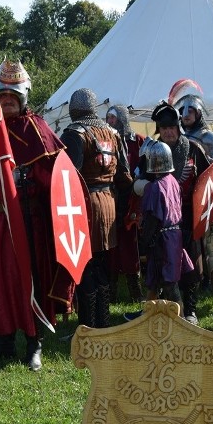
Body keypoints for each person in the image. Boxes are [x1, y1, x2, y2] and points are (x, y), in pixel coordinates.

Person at [0, 60, 72, 370]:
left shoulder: (37, 129)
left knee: (28, 281)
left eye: (13, 95)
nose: (7, 100)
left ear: (23, 96)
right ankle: (3, 341)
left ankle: (34, 341)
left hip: (26, 221)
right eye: (3, 95)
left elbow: (55, 181)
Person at [60, 88, 128, 329]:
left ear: (74, 109)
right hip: (109, 202)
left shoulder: (75, 134)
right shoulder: (112, 132)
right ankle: (103, 323)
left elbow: (69, 177)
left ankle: (88, 327)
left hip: (85, 205)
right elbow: (124, 175)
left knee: (86, 265)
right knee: (101, 265)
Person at [150, 103, 211, 325]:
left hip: (188, 215)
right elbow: (142, 181)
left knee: (191, 266)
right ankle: (166, 310)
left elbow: (208, 179)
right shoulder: (153, 150)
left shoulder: (193, 149)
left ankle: (191, 310)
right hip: (162, 220)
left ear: (178, 127)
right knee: (164, 264)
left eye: (172, 127)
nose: (168, 132)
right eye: (164, 128)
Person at [125, 140, 192, 320]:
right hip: (173, 235)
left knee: (170, 282)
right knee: (154, 279)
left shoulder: (155, 187)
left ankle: (183, 321)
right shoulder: (172, 180)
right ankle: (145, 316)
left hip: (163, 237)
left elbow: (153, 218)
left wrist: (146, 239)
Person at [105, 104, 144, 303]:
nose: (110, 122)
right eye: (108, 119)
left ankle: (135, 292)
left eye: (113, 118)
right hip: (111, 199)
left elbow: (146, 166)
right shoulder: (105, 141)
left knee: (130, 247)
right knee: (111, 247)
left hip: (132, 199)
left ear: (122, 119)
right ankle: (111, 291)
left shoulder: (138, 142)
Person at [173, 94, 213, 160]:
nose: (185, 116)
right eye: (182, 112)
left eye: (190, 111)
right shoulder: (179, 137)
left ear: (198, 114)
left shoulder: (210, 137)